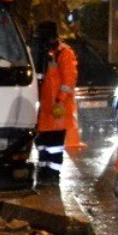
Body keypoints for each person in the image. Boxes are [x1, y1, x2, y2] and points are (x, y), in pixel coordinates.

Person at [33, 20, 78, 183]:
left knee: (54, 144)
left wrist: (60, 101)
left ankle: (52, 174)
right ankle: (44, 170)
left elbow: (69, 80)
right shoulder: (42, 52)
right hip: (44, 109)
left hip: (57, 108)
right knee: (42, 142)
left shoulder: (64, 53)